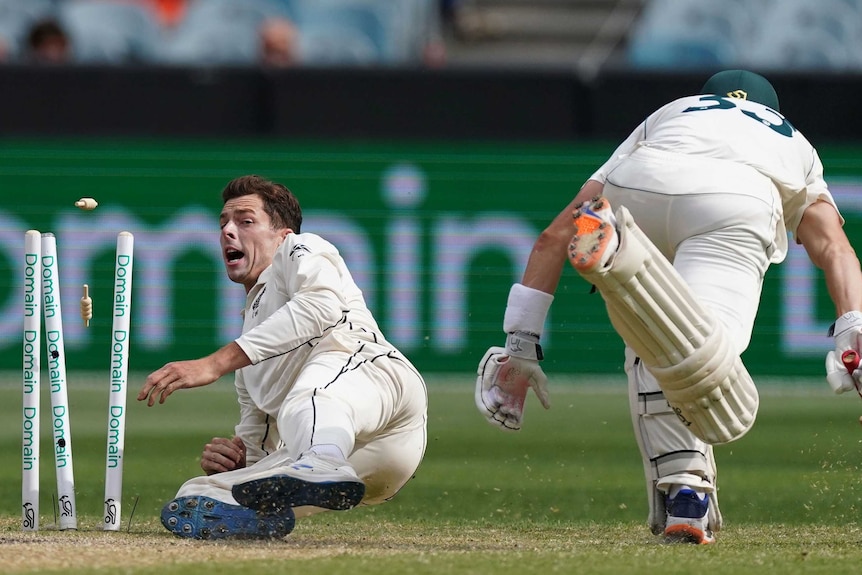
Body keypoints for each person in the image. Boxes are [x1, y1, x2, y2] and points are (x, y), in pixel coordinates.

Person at [475, 70, 862, 545]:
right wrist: (852, 329)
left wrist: (520, 344)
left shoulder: (672, 113)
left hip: (639, 185)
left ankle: (687, 493)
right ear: (772, 112)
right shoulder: (792, 141)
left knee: (655, 339)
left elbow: (556, 235)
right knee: (699, 349)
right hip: (734, 200)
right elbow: (833, 248)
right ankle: (687, 492)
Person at [138, 175, 428, 540]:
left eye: (245, 221)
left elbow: (321, 306)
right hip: (368, 467)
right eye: (223, 223)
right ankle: (286, 495)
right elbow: (264, 456)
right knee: (197, 494)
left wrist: (213, 364)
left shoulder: (299, 250)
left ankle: (322, 460)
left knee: (310, 395)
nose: (228, 231)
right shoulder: (250, 353)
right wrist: (239, 465)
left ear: (281, 234)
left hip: (381, 392)